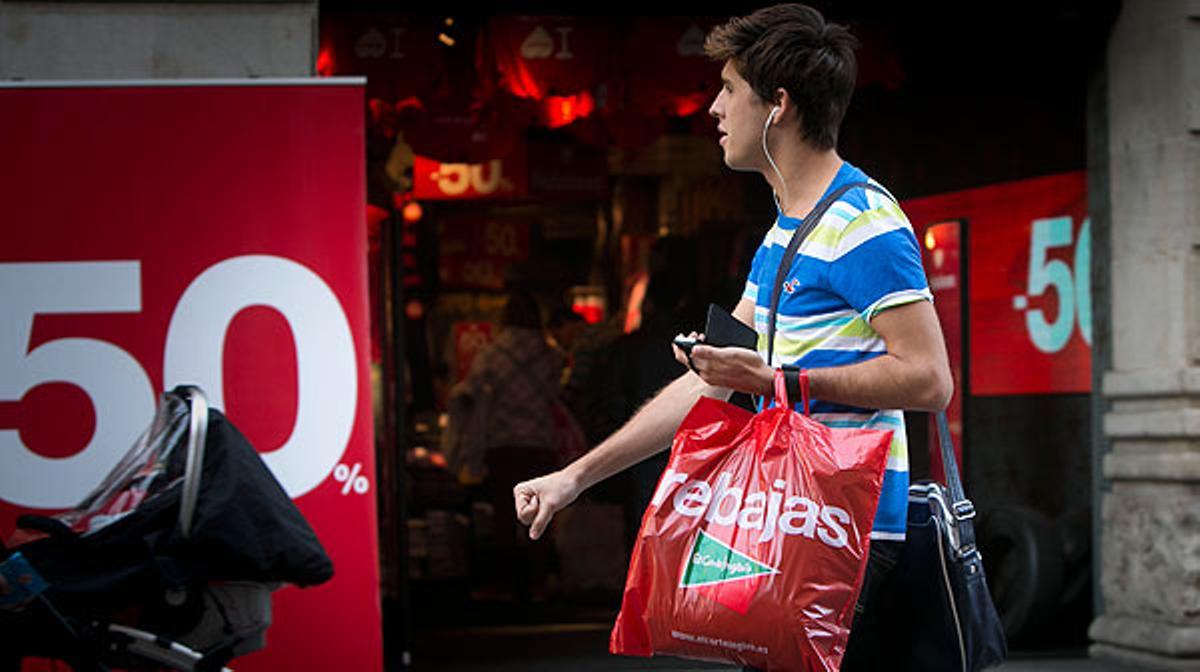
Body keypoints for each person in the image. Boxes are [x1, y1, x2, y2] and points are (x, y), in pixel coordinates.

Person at [513, 4, 952, 668]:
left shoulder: (863, 219)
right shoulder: (785, 228)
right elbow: (711, 384)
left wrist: (776, 380)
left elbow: (929, 379)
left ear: (777, 105)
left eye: (727, 90)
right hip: (787, 525)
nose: (714, 109)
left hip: (845, 533)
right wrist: (573, 478)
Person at [460, 289, 565, 601]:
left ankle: (505, 585)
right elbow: (558, 393)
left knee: (504, 515)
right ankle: (538, 584)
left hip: (503, 443)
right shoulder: (552, 355)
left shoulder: (492, 354)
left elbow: (472, 391)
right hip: (541, 443)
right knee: (542, 511)